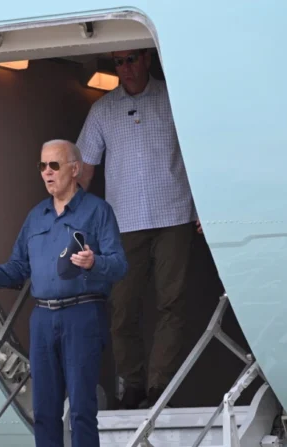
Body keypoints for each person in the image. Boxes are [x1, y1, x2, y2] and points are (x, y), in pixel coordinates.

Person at [0, 139, 128, 447]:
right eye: (42, 166)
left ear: (75, 168)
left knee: (81, 409)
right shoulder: (35, 216)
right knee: (44, 410)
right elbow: (18, 268)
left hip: (83, 314)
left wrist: (94, 262)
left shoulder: (97, 211)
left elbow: (119, 265)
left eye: (54, 165)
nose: (47, 172)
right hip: (42, 319)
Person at [76, 48, 202, 409]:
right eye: (118, 62)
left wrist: (206, 206)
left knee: (172, 304)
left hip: (175, 216)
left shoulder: (174, 97)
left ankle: (159, 388)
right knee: (123, 308)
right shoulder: (102, 109)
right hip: (124, 223)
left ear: (147, 59)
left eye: (131, 59)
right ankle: (132, 386)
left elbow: (199, 153)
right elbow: (84, 168)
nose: (125, 68)